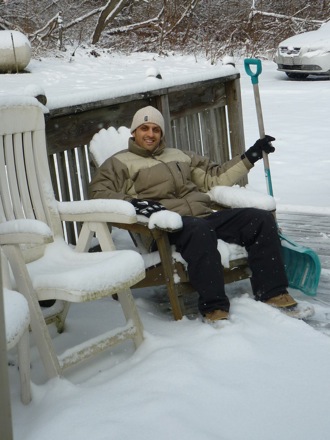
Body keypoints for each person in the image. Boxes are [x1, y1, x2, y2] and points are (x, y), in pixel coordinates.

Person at [89, 106, 297, 322]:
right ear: (134, 132)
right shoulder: (119, 163)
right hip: (164, 226)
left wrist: (250, 156)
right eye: (144, 128)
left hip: (203, 218)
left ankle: (272, 292)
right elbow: (98, 193)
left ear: (161, 134)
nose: (150, 134)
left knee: (259, 219)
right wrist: (135, 204)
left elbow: (214, 177)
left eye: (155, 129)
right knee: (200, 230)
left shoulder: (180, 156)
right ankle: (214, 307)